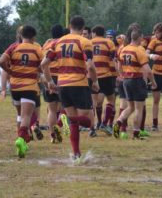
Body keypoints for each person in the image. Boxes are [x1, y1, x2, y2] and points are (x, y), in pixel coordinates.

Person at [41, 15, 99, 164]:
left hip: (63, 85)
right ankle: (66, 119)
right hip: (79, 84)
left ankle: (76, 154)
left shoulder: (58, 42)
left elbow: (43, 64)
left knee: (74, 124)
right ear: (83, 27)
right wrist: (95, 81)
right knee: (88, 121)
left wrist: (49, 81)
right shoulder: (85, 42)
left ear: (69, 26)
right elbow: (90, 65)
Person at [0, 25, 44, 158]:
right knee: (26, 117)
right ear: (34, 37)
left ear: (21, 35)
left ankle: (24, 140)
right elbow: (42, 65)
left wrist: (10, 71)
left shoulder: (13, 47)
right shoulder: (36, 48)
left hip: (15, 87)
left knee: (20, 115)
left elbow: (1, 61)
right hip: (29, 87)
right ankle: (21, 139)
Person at [113, 23, 157, 140]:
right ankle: (136, 133)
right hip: (137, 80)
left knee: (130, 107)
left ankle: (118, 122)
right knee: (139, 108)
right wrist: (153, 82)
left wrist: (121, 75)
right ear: (139, 38)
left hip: (126, 80)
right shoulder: (139, 50)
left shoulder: (123, 49)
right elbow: (148, 70)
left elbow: (119, 64)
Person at [89, 25, 116, 136]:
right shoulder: (109, 43)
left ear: (94, 33)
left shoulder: (88, 42)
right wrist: (115, 74)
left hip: (92, 76)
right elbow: (112, 59)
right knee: (111, 100)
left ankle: (92, 129)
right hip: (106, 75)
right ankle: (104, 123)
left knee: (93, 103)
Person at [41, 24, 64, 144]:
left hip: (48, 76)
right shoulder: (62, 44)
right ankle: (59, 125)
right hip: (61, 77)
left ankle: (52, 135)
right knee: (62, 106)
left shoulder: (46, 45)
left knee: (51, 109)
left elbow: (42, 62)